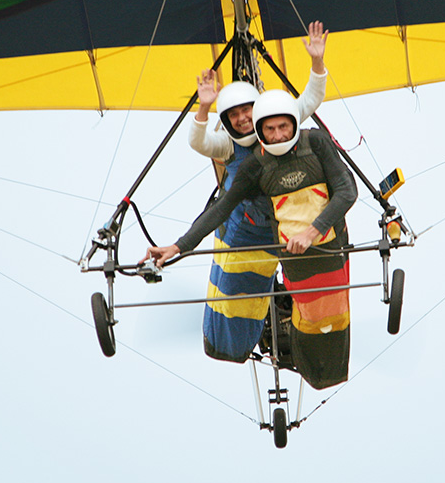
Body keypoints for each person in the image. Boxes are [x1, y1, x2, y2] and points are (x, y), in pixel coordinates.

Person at [145, 90, 358, 389]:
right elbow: (221, 208)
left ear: (294, 124)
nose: (277, 135)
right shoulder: (255, 165)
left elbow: (347, 191)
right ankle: (260, 328)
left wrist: (313, 231)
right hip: (281, 244)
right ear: (259, 132)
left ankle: (320, 362)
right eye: (269, 130)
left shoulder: (316, 142)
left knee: (326, 316)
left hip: (325, 241)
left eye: (283, 126)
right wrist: (179, 246)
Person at [184, 22, 329, 366]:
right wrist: (204, 107)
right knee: (236, 289)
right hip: (247, 230)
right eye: (233, 115)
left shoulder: (277, 126)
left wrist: (317, 62)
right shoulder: (229, 145)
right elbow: (198, 142)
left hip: (287, 225)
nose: (242, 119)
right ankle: (236, 336)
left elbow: (310, 99)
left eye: (246, 111)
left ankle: (294, 319)